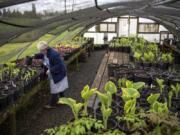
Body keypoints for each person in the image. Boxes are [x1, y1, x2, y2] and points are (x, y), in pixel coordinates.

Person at [34, 41, 68, 109]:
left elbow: (59, 65)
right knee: (59, 87)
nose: (40, 52)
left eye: (41, 50)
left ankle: (52, 104)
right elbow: (41, 55)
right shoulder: (46, 52)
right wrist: (34, 57)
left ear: (45, 49)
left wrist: (50, 70)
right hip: (55, 73)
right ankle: (63, 100)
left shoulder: (53, 55)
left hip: (58, 73)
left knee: (54, 89)